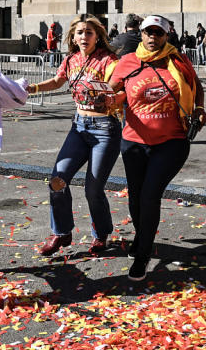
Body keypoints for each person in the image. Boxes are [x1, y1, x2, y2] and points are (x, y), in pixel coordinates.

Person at [107, 15, 206, 281]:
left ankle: (142, 255)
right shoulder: (128, 62)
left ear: (167, 36)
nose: (153, 38)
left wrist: (198, 109)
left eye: (159, 33)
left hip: (171, 142)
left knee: (150, 195)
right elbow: (114, 91)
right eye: (148, 33)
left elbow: (196, 87)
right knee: (135, 197)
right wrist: (108, 98)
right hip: (134, 141)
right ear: (140, 34)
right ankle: (143, 237)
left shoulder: (178, 61)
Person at [24, 14, 122, 257]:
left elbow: (116, 82)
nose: (84, 36)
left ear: (97, 36)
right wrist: (32, 88)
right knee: (57, 180)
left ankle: (101, 235)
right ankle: (61, 232)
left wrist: (110, 92)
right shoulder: (71, 60)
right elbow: (58, 81)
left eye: (89, 32)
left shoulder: (108, 60)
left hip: (104, 129)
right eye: (80, 32)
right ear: (73, 37)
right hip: (79, 127)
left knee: (93, 189)